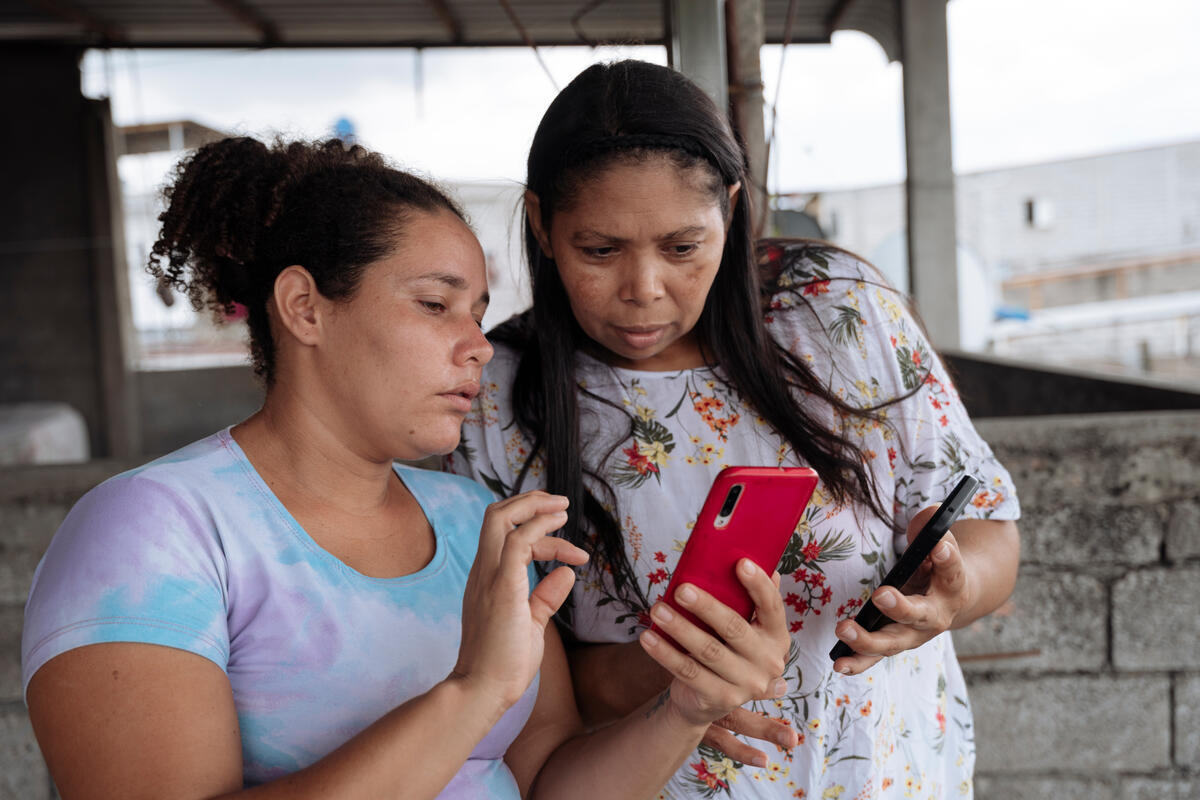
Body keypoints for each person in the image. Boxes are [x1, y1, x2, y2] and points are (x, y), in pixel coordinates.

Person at [20, 136, 795, 799]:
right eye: (435, 305)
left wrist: (684, 710)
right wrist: (474, 690)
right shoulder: (153, 530)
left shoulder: (471, 520)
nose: (478, 346)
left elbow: (548, 781)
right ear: (305, 307)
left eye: (479, 313)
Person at [446, 60, 1022, 799]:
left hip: (896, 772)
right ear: (540, 226)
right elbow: (529, 680)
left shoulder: (836, 311)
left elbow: (988, 528)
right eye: (600, 250)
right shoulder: (499, 395)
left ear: (733, 209)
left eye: (684, 248)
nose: (644, 290)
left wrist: (952, 592)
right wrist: (681, 671)